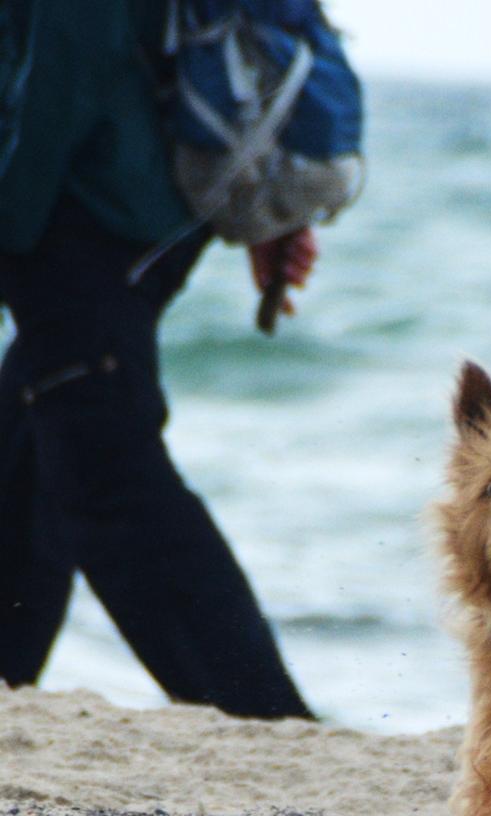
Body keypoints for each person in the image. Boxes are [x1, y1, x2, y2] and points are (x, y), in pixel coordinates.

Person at [0, 0, 315, 719]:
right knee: (45, 408)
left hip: (86, 194)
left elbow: (63, 60)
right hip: (145, 182)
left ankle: (263, 720)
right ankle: (7, 679)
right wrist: (260, 195)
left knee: (104, 470)